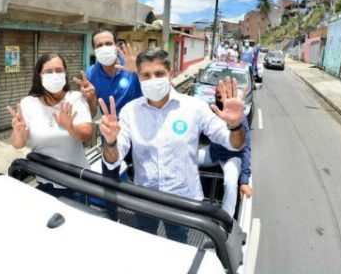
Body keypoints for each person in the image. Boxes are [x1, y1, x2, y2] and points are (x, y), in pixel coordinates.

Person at [99, 48, 246, 244]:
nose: (153, 79)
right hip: (144, 198)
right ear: (139, 77)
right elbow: (113, 160)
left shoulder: (195, 107)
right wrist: (110, 142)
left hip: (182, 199)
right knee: (144, 244)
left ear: (170, 73)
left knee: (178, 245)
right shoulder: (129, 111)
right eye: (146, 75)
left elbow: (234, 144)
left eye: (159, 73)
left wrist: (236, 125)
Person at [74, 28, 142, 220]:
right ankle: (113, 216)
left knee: (142, 177)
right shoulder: (91, 73)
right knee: (109, 178)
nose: (104, 48)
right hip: (111, 132)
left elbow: (154, 95)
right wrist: (90, 98)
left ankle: (145, 216)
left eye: (108, 43)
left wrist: (138, 72)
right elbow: (93, 111)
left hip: (139, 130)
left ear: (116, 45)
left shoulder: (132, 65)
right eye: (99, 45)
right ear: (94, 50)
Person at [7, 53, 93, 203]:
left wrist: (70, 127)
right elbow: (18, 144)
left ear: (65, 73)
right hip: (44, 180)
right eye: (48, 71)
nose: (54, 75)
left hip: (76, 183)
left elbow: (87, 134)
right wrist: (18, 130)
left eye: (59, 70)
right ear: (39, 75)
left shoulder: (75, 98)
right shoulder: (28, 103)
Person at [198, 86, 252, 217]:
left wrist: (244, 181)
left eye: (222, 96)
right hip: (214, 153)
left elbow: (246, 149)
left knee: (230, 182)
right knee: (186, 158)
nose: (219, 99)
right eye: (217, 96)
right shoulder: (213, 112)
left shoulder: (240, 118)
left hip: (233, 157)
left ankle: (226, 219)